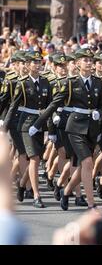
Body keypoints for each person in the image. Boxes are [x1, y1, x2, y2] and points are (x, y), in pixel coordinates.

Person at [29, 48, 102, 210]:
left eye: (90, 60)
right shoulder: (70, 83)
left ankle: (66, 191)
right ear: (78, 63)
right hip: (75, 128)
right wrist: (37, 124)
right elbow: (54, 104)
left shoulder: (98, 82)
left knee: (82, 166)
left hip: (91, 128)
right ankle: (91, 203)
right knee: (87, 162)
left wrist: (99, 112)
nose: (89, 62)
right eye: (85, 60)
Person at [3, 51, 54, 208]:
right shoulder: (23, 83)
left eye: (39, 62)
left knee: (35, 158)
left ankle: (22, 184)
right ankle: (36, 196)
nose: (37, 65)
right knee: (34, 159)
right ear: (28, 65)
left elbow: (50, 105)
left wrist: (51, 127)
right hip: (25, 124)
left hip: (39, 124)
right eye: (34, 62)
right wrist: (4, 127)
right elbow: (13, 106)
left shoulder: (45, 82)